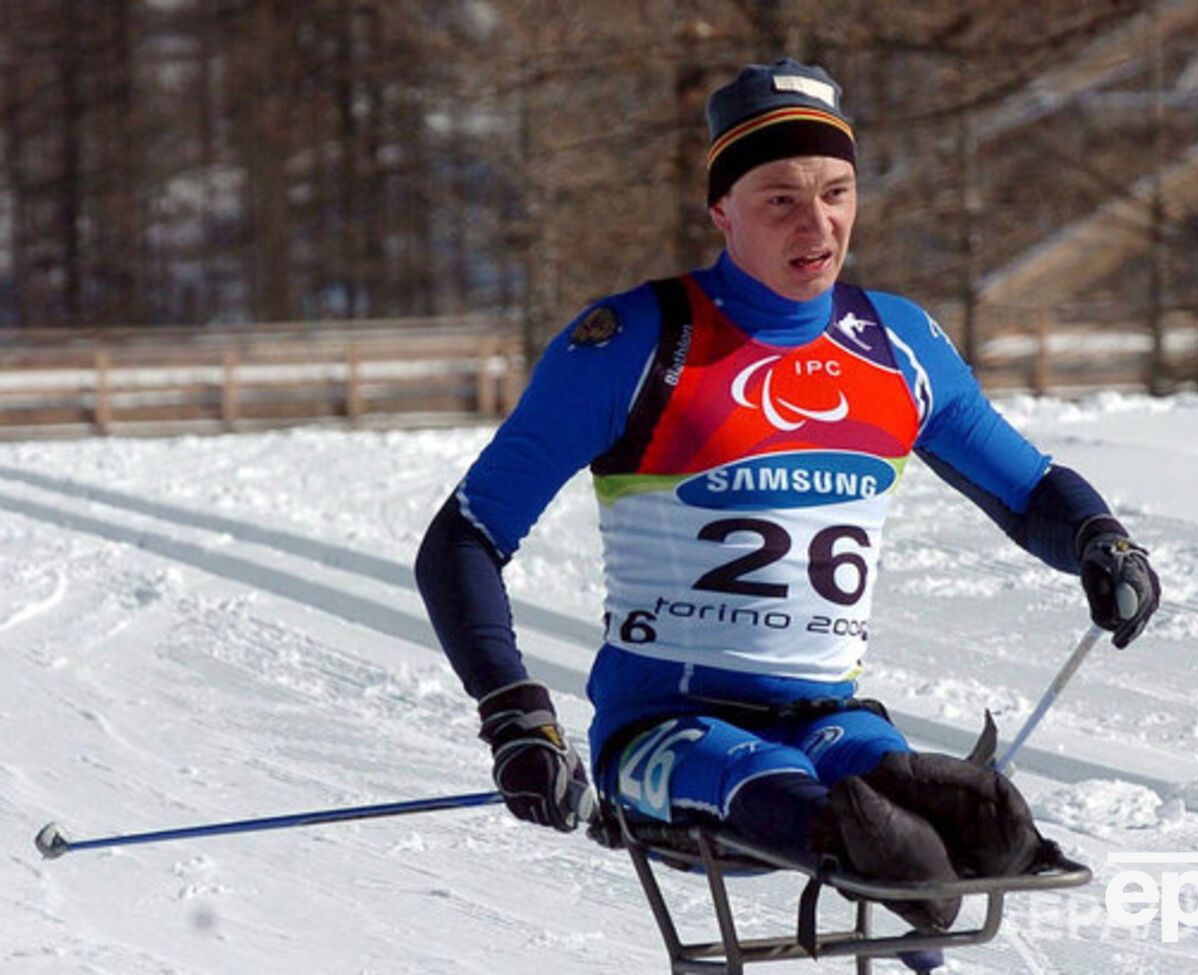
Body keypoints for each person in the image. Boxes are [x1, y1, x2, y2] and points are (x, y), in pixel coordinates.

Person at [415, 58, 1159, 931]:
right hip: (669, 730)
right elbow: (461, 540)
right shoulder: (638, 341)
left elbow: (1030, 489)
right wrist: (517, 719)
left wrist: (1102, 543)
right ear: (720, 212)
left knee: (983, 827)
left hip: (828, 723)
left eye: (837, 192)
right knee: (868, 840)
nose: (819, 224)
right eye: (780, 199)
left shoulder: (896, 342)